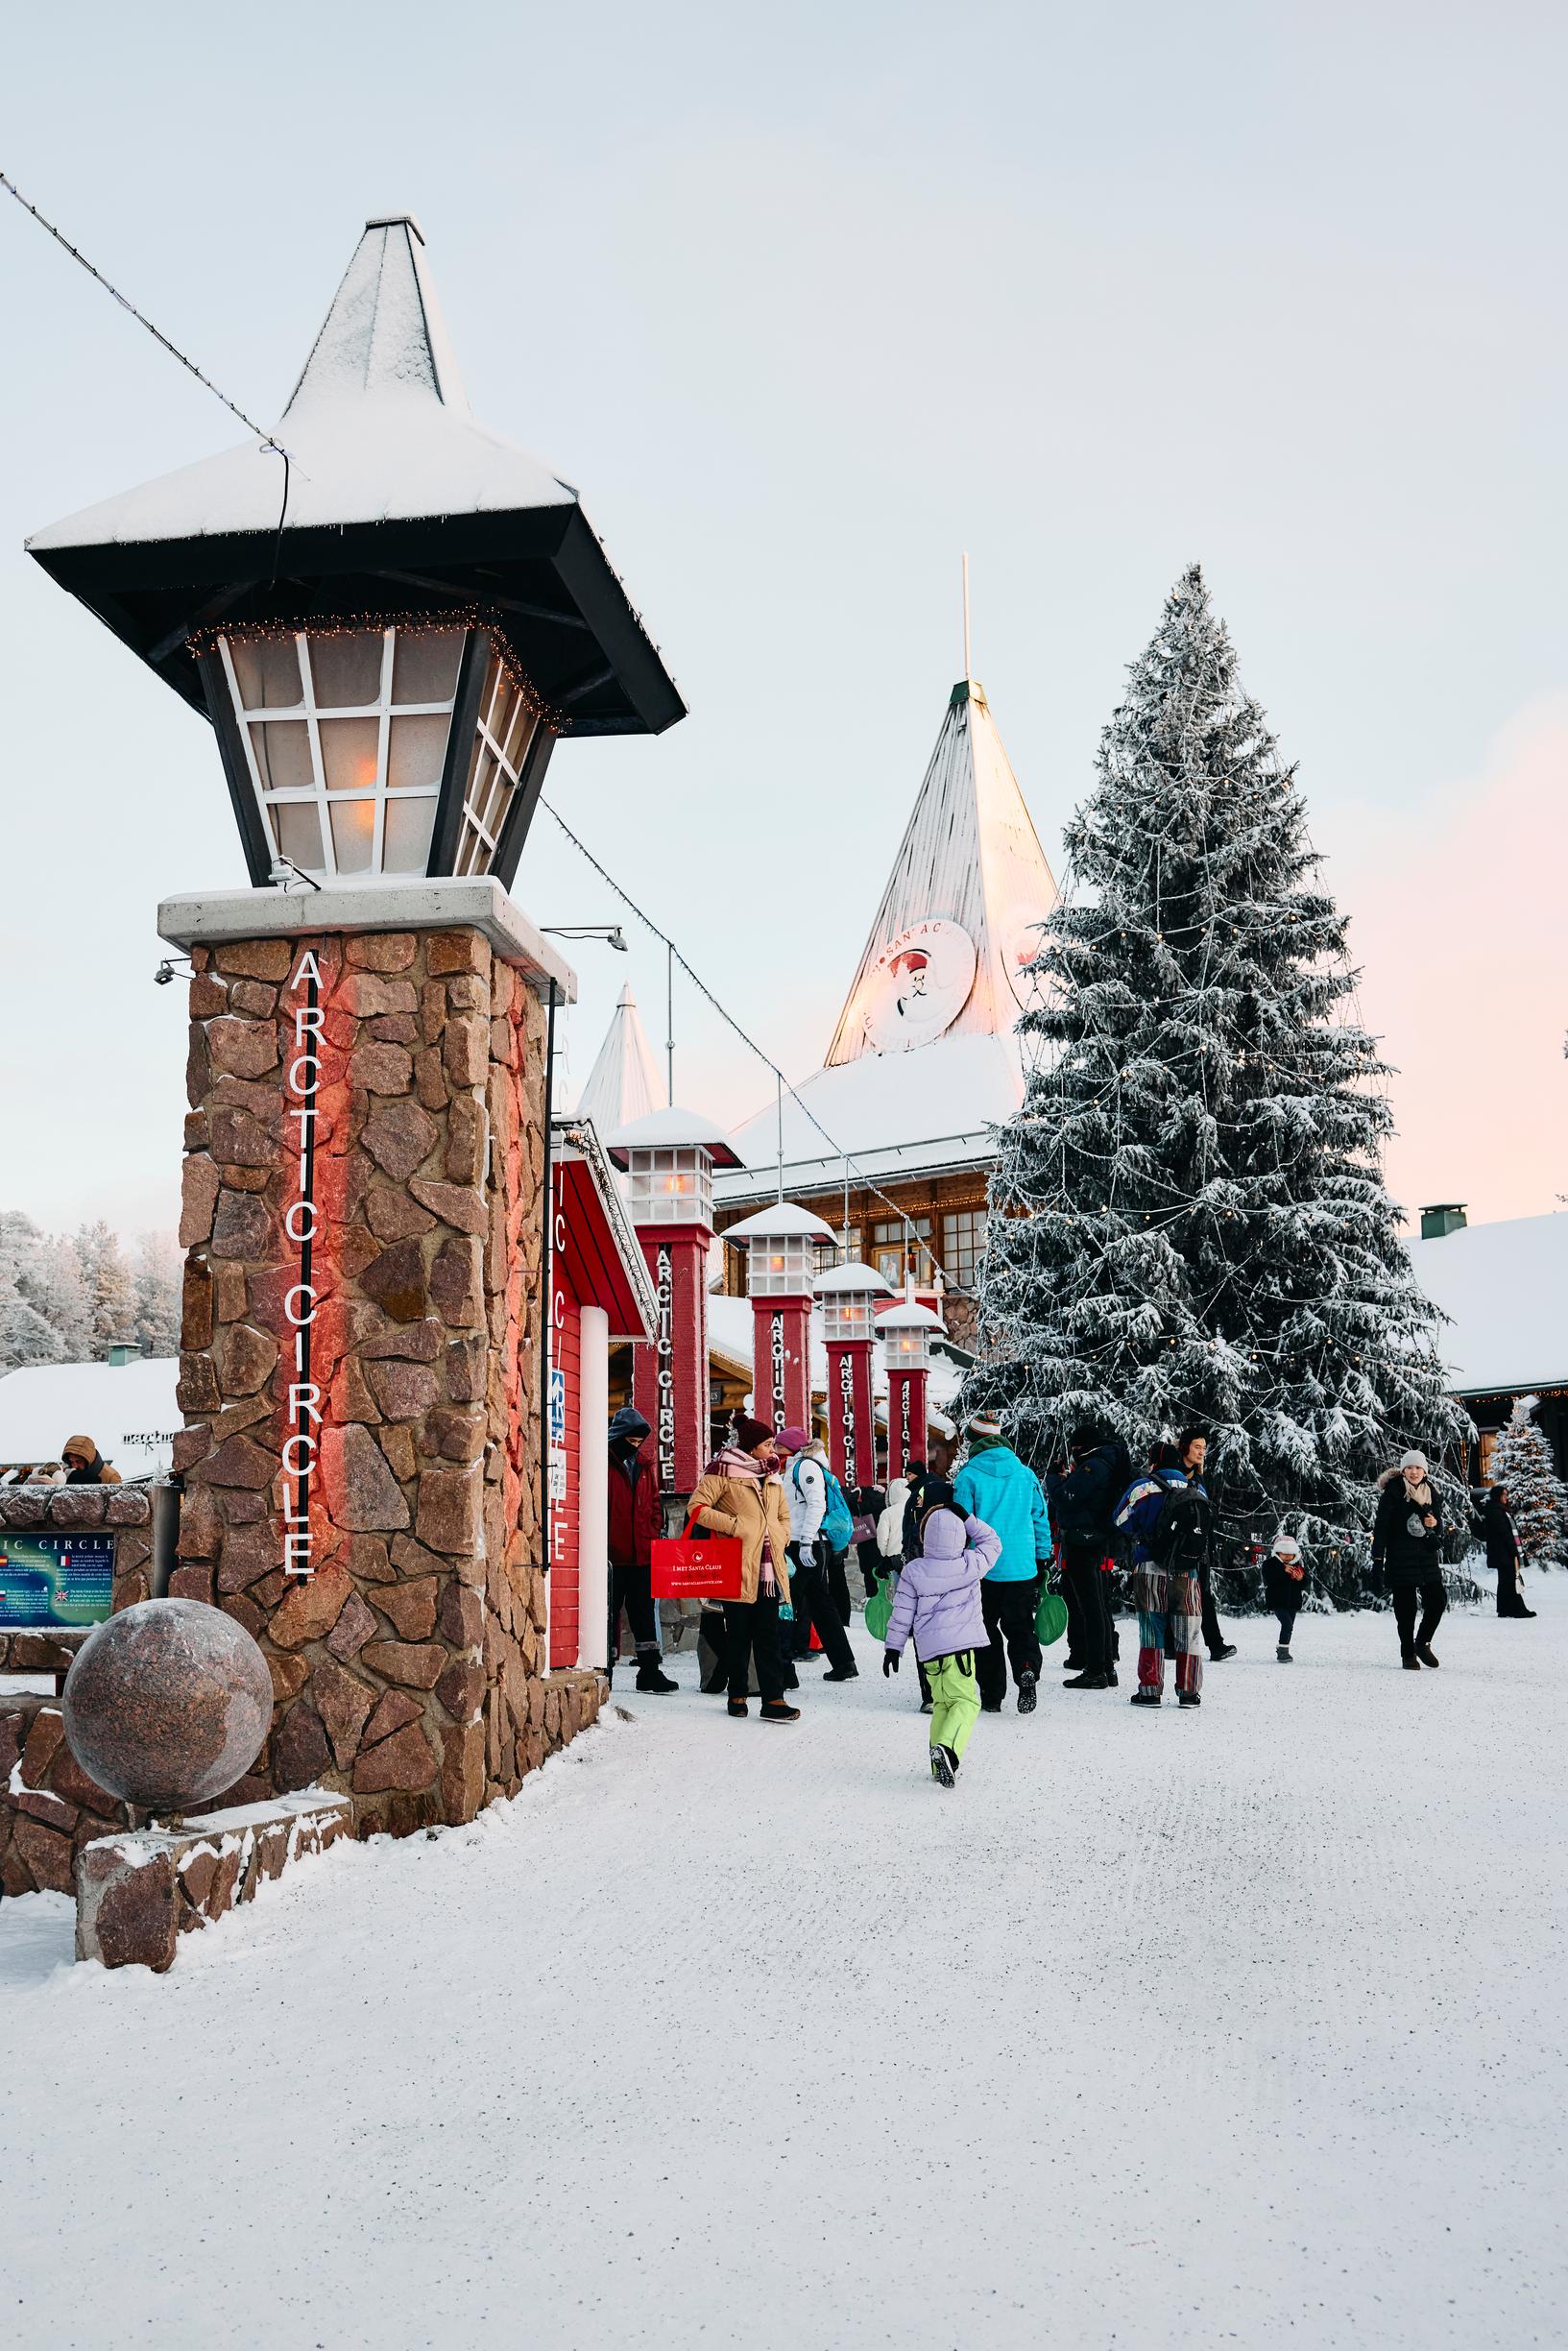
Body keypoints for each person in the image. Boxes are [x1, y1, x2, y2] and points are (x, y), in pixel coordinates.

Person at [689, 1416, 800, 1723]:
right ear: (752, 1447)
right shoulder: (721, 1471)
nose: (772, 1449)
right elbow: (697, 1508)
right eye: (767, 1445)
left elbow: (783, 1516)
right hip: (736, 1565)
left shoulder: (773, 1474)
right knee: (738, 1636)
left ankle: (773, 1700)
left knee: (769, 1635)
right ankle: (737, 1694)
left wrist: (780, 1534)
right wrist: (735, 1526)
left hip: (768, 1570)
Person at [882, 1506, 1001, 1786]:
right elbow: (994, 1542)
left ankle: (938, 1766)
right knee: (966, 1702)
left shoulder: (914, 1570)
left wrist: (893, 1648)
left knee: (942, 1705)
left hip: (930, 1653)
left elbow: (902, 1611)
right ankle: (948, 1749)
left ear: (925, 1537)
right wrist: (968, 1519)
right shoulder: (970, 1563)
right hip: (961, 1649)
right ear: (961, 1537)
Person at [953, 1414, 1052, 1714]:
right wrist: (1042, 1555)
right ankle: (1026, 1668)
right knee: (1021, 1626)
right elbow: (1039, 1518)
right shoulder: (1025, 1474)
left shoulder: (968, 1476)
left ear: (974, 1442)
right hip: (1021, 1565)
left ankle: (993, 1694)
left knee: (984, 1630)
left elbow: (961, 1524)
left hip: (982, 1568)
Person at [1115, 1430, 1213, 1709]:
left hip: (1149, 1566)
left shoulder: (1143, 1487)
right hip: (1187, 1568)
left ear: (1154, 1463)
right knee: (1189, 1631)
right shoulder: (1196, 1489)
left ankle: (1150, 1690)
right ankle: (1189, 1692)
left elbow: (1119, 1519)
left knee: (1152, 1629)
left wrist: (1142, 1533)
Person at [1048, 1424, 1131, 1690]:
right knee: (1099, 1606)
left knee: (1090, 1607)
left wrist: (1053, 1480)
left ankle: (1095, 1670)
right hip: (1097, 1540)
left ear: (1080, 1447)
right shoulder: (1108, 1462)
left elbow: (1067, 1498)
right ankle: (1105, 1666)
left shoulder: (1092, 1466)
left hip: (1084, 1541)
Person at [605, 1406, 677, 1693]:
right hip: (611, 1555)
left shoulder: (646, 1467)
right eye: (630, 1441)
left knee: (644, 1614)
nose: (634, 1447)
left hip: (642, 1554)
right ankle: (605, 1670)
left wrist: (652, 1529)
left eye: (638, 1442)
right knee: (608, 1615)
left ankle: (649, 1671)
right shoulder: (603, 1463)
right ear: (619, 1436)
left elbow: (655, 1505)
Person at [778, 1427, 858, 1682]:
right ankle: (844, 1662)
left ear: (790, 1447)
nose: (774, 1450)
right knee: (821, 1606)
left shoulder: (805, 1467)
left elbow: (816, 1504)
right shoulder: (797, 1467)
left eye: (778, 1446)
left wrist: (804, 1541)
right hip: (808, 1543)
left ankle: (784, 1670)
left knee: (786, 1604)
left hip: (805, 1544)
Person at [1372, 1449, 1447, 1669]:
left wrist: (1436, 1525)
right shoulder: (1393, 1493)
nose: (1414, 1472)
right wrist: (1378, 1560)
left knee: (1438, 1601)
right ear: (1403, 1471)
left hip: (1426, 1558)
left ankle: (1422, 1643)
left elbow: (1439, 1527)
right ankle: (1408, 1653)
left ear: (1424, 1471)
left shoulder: (1431, 1492)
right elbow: (1382, 1528)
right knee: (1406, 1610)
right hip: (1401, 1557)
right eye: (1410, 1467)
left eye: (1418, 1468)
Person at [1474, 1485, 1534, 1618]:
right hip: (1503, 1552)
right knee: (1510, 1580)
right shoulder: (1496, 1511)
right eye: (1504, 1495)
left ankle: (1505, 1609)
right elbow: (1505, 1532)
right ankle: (1518, 1610)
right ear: (1497, 1496)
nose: (1506, 1497)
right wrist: (1514, 1550)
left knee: (1505, 1581)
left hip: (1502, 1552)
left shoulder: (1498, 1509)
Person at [1264, 1533, 1306, 1660]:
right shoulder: (1270, 1564)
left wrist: (1301, 1579)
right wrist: (1283, 1572)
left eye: (1290, 1554)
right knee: (1287, 1624)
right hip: (1277, 1601)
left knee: (1289, 1626)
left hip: (1293, 1602)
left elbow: (1304, 1583)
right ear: (1278, 1553)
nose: (1288, 1557)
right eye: (1284, 1553)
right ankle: (1283, 1651)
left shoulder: (1297, 1566)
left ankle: (1283, 1646)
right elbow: (1269, 1580)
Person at [851, 1480, 886, 1600]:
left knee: (869, 1580)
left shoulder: (863, 1508)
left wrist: (859, 1492)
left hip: (866, 1551)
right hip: (882, 1552)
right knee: (883, 1580)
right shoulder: (884, 1506)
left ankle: (872, 1603)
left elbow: (850, 1504)